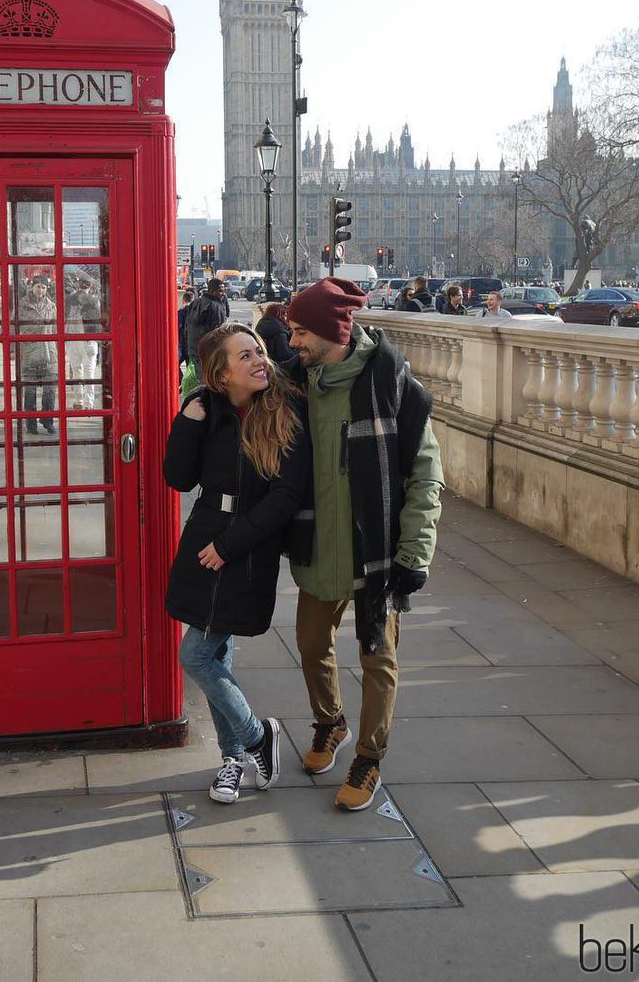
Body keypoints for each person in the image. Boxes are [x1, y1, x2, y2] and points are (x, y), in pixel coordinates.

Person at [283, 278, 444, 811]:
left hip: (377, 552)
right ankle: (331, 723)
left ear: (333, 332)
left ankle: (369, 758)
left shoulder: (392, 384)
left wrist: (414, 554)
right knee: (310, 644)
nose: (293, 342)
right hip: (318, 545)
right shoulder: (296, 384)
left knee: (378, 657)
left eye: (301, 331)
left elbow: (427, 474)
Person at [163, 322, 310, 804]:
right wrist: (186, 419)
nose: (259, 361)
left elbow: (287, 495)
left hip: (245, 551)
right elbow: (179, 479)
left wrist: (230, 545)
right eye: (244, 356)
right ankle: (232, 759)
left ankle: (254, 736)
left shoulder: (284, 413)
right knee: (217, 654)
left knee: (197, 655)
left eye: (259, 352)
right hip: (204, 538)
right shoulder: (210, 412)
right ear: (221, 373)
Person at [17, 274, 58, 432]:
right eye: (38, 287)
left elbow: (56, 329)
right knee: (30, 391)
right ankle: (31, 423)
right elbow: (15, 326)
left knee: (50, 390)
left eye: (43, 287)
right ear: (31, 287)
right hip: (29, 351)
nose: (40, 290)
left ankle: (48, 421)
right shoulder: (22, 305)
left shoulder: (51, 306)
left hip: (49, 352)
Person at [65, 275, 102, 409]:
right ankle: (89, 403)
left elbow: (64, 317)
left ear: (78, 285)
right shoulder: (94, 300)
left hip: (72, 339)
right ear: (90, 286)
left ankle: (78, 401)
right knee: (89, 372)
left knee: (76, 371)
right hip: (89, 340)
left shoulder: (69, 299)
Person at [185, 278, 230, 380]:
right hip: (210, 351)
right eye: (220, 291)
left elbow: (187, 327)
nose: (222, 294)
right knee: (211, 380)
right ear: (212, 291)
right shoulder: (216, 306)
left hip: (193, 348)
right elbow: (219, 331)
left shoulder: (195, 303)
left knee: (200, 378)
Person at [177, 290, 195, 366]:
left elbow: (179, 326)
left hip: (182, 343)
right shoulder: (196, 312)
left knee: (175, 364)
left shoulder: (181, 312)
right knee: (190, 366)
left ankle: (180, 377)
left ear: (183, 300)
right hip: (192, 344)